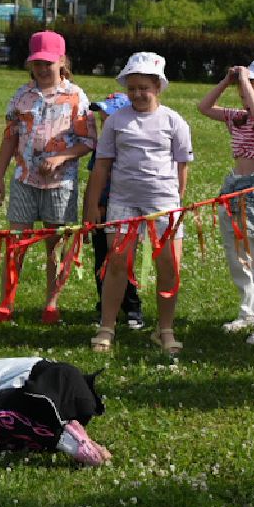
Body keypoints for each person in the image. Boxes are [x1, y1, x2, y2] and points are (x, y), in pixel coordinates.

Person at [83, 52, 193, 358]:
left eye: (144, 88)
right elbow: (101, 166)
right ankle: (107, 327)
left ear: (158, 87)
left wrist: (177, 200)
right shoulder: (117, 121)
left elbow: (182, 166)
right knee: (117, 263)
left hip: (163, 203)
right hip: (123, 201)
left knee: (169, 265)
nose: (137, 94)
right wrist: (92, 205)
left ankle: (165, 329)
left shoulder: (174, 121)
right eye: (132, 88)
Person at [0, 31, 95, 323]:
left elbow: (89, 141)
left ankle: (51, 303)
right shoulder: (22, 96)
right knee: (16, 244)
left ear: (61, 62)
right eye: (37, 63)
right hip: (24, 180)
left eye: (48, 63)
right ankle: (6, 303)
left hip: (60, 184)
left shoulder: (75, 97)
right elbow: (10, 137)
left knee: (55, 247)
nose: (42, 69)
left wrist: (60, 158)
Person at [197, 58, 254, 345]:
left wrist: (245, 80)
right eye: (243, 88)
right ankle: (248, 311)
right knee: (237, 255)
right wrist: (227, 81)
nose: (244, 93)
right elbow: (204, 107)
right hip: (234, 187)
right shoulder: (238, 117)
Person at [86, 93, 144, 331]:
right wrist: (90, 210)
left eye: (108, 119)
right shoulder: (101, 148)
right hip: (102, 213)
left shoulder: (133, 148)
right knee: (102, 262)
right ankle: (105, 307)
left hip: (126, 213)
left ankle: (132, 308)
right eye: (102, 120)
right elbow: (93, 180)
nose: (105, 124)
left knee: (122, 261)